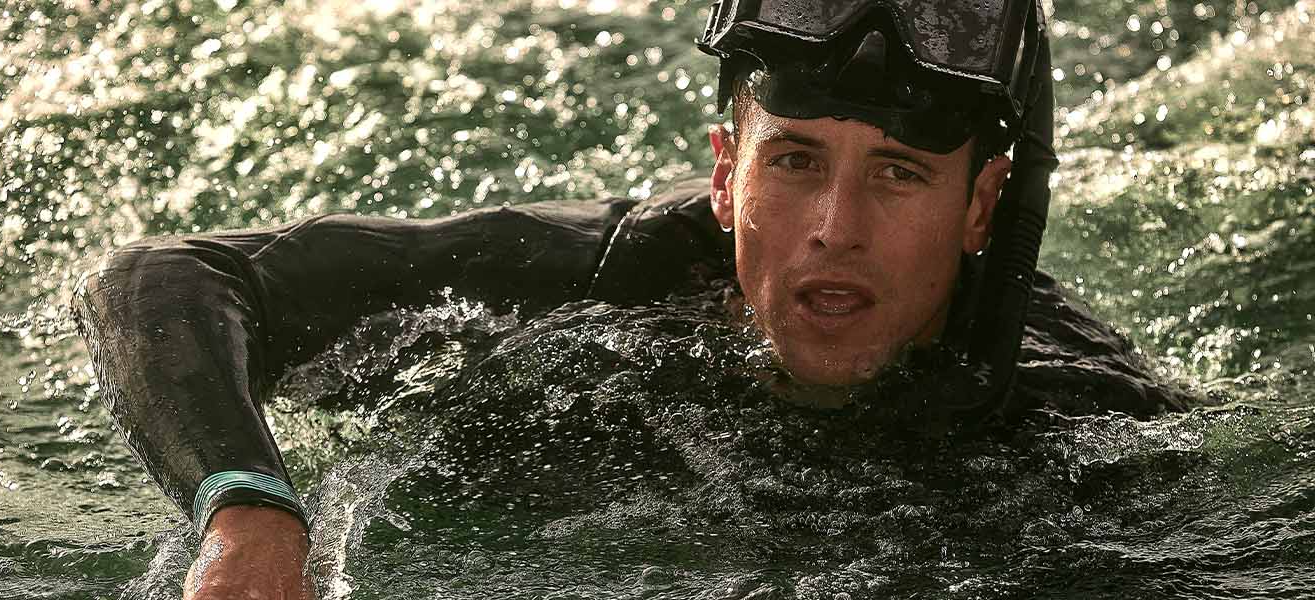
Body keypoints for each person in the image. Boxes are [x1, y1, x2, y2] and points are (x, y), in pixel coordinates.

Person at [73, 1, 1191, 598]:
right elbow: (160, 279)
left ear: (983, 206)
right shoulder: (602, 280)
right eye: (794, 160)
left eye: (899, 174)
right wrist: (248, 514)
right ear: (725, 173)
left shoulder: (1083, 419)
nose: (834, 228)